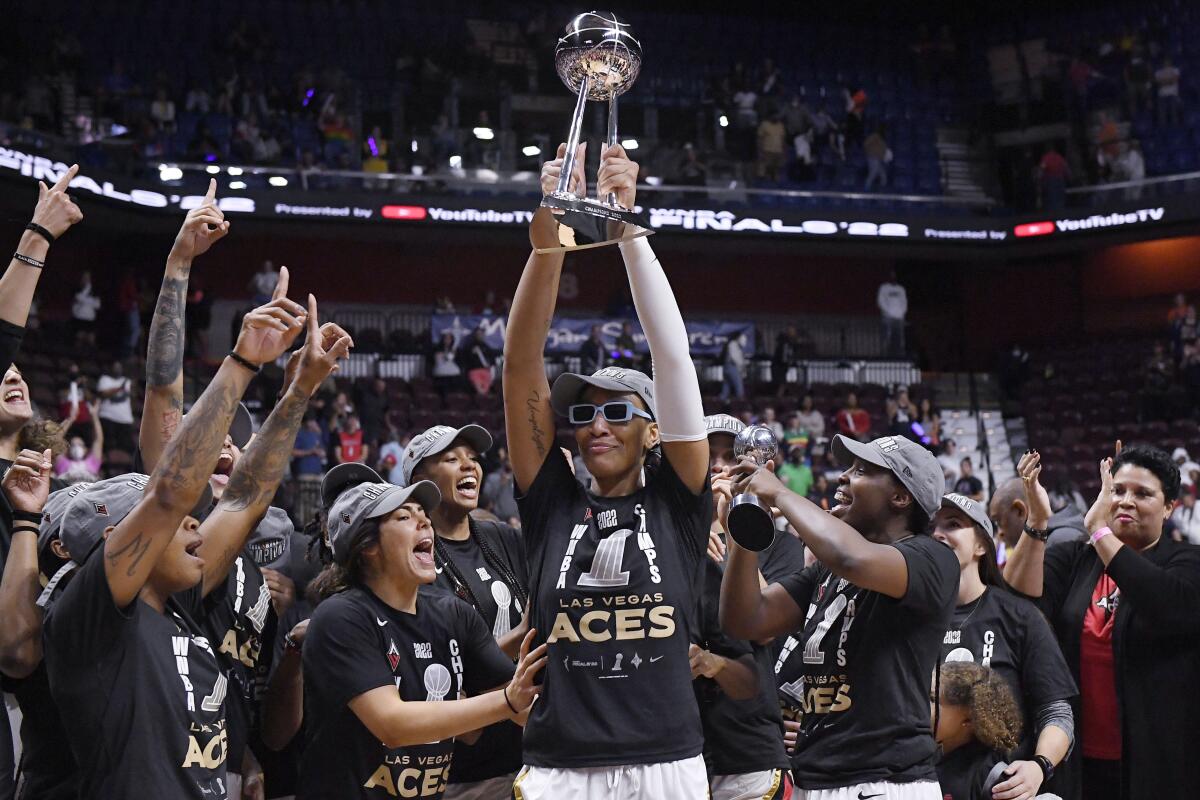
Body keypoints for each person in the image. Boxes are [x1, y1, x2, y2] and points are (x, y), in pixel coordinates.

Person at [40, 280, 322, 798]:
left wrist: (299, 391)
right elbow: (172, 494)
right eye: (171, 522)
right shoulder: (90, 617)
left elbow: (244, 499)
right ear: (117, 542)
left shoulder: (179, 602)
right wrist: (242, 360)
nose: (193, 521)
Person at [501, 143, 713, 797]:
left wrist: (627, 230)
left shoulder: (679, 503)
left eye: (618, 411)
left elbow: (672, 357)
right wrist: (549, 245)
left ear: (654, 429)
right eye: (585, 412)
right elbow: (520, 366)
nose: (595, 424)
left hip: (667, 765)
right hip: (561, 767)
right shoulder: (551, 502)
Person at [721, 434, 957, 798]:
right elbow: (746, 620)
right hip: (814, 778)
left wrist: (780, 493)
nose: (843, 477)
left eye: (861, 471)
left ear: (900, 497)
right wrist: (743, 532)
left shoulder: (932, 558)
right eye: (847, 468)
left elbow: (853, 557)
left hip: (886, 781)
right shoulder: (826, 572)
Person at [296, 466, 546, 800]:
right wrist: (505, 702)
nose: (424, 521)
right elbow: (393, 724)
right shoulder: (341, 618)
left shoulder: (453, 614)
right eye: (403, 517)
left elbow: (526, 704)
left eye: (422, 513)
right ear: (367, 546)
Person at [1005, 446, 1200, 800]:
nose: (1126, 501)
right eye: (1118, 490)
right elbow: (1019, 599)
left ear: (1170, 507)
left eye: (1143, 493)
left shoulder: (1187, 563)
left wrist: (1099, 529)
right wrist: (1037, 521)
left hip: (1159, 763)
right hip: (1080, 758)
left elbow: (1166, 606)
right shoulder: (1077, 558)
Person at [399, 424, 530, 797]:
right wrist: (521, 634)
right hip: (463, 770)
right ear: (420, 480)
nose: (469, 466)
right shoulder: (414, 560)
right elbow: (440, 673)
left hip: (529, 755)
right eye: (451, 459)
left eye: (473, 459)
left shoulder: (501, 537)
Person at [932, 494, 1077, 800]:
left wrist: (1039, 767)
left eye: (953, 524)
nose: (937, 533)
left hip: (1000, 789)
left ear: (981, 546)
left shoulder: (1019, 617)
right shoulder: (910, 619)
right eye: (931, 527)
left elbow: (1056, 712)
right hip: (922, 786)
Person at [700, 413, 802, 800]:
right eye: (709, 455)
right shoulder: (665, 537)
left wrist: (734, 532)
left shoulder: (782, 546)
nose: (719, 465)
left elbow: (768, 626)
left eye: (730, 455)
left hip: (746, 745)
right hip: (674, 743)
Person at [933, 662, 1024, 800]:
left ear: (968, 719)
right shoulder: (922, 758)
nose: (921, 707)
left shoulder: (993, 777)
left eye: (933, 700)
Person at [54, 400, 102, 484]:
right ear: (68, 449)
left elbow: (98, 440)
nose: (76, 448)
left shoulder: (92, 462)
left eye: (80, 445)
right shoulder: (63, 464)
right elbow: (55, 440)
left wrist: (94, 416)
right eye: (73, 445)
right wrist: (70, 418)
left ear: (86, 449)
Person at [96, 361, 134, 455]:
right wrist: (119, 388)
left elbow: (132, 396)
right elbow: (103, 394)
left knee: (127, 448)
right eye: (115, 367)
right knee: (107, 448)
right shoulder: (105, 379)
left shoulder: (127, 381)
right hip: (107, 417)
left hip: (125, 419)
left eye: (119, 367)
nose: (117, 369)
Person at [459, 326, 500, 396]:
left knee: (486, 391)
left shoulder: (486, 347)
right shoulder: (469, 346)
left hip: (486, 371)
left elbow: (492, 359)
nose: (480, 336)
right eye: (478, 334)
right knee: (481, 392)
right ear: (475, 335)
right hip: (474, 371)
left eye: (481, 334)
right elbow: (465, 359)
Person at [878, 271, 907, 358]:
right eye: (891, 276)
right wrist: (888, 312)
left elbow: (904, 301)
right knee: (887, 337)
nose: (893, 278)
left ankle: (900, 354)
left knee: (900, 338)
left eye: (894, 276)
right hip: (888, 317)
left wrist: (902, 312)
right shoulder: (884, 288)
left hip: (899, 317)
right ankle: (885, 355)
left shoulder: (901, 289)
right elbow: (881, 301)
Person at [432, 331, 463, 396]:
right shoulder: (436, 348)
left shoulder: (456, 350)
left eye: (449, 339)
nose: (447, 340)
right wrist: (448, 354)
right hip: (441, 375)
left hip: (454, 375)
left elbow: (459, 361)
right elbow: (444, 358)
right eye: (446, 338)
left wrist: (453, 352)